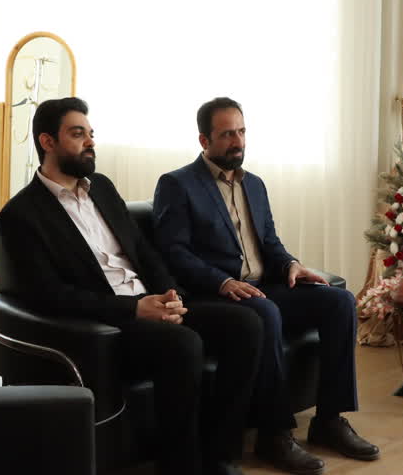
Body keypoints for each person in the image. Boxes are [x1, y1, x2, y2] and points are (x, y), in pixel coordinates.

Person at [0, 97, 262, 475]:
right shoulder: (21, 214)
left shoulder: (102, 188)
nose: (90, 142)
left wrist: (171, 294)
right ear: (47, 142)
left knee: (246, 324)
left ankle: (219, 453)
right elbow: (50, 295)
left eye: (91, 134)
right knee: (184, 344)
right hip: (110, 322)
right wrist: (135, 309)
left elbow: (143, 251)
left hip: (151, 302)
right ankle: (180, 467)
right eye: (78, 134)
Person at [153, 96, 380, 475]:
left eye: (241, 132)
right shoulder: (178, 184)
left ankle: (329, 419)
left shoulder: (254, 184)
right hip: (213, 295)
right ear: (204, 140)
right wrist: (222, 281)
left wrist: (292, 265)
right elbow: (173, 252)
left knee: (339, 301)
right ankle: (274, 434)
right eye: (227, 134)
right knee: (265, 312)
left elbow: (270, 243)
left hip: (261, 285)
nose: (238, 141)